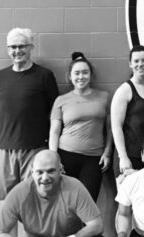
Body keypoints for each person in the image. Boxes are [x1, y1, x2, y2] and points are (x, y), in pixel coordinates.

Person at [0, 27, 59, 201]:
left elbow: (56, 112)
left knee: (34, 199)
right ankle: (8, 230)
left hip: (35, 148)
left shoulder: (44, 76)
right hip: (5, 148)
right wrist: (10, 131)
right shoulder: (0, 76)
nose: (17, 51)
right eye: (13, 47)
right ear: (8, 50)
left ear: (31, 47)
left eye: (22, 46)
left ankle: (32, 230)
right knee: (7, 202)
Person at [48, 52, 111, 201]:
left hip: (94, 159)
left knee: (88, 203)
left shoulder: (104, 97)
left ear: (91, 75)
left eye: (85, 72)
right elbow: (54, 132)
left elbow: (110, 129)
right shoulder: (61, 100)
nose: (81, 77)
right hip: (66, 156)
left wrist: (107, 153)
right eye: (76, 73)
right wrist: (54, 158)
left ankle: (86, 226)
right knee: (65, 202)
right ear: (70, 76)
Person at [111, 46, 144, 175]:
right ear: (130, 64)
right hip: (129, 157)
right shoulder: (124, 90)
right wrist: (123, 157)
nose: (140, 64)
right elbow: (116, 127)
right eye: (136, 61)